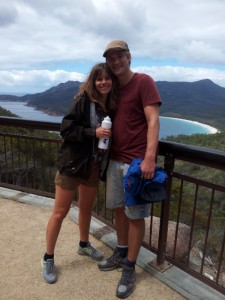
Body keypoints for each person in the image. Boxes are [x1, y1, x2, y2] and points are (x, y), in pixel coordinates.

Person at [41, 62, 118, 284]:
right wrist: (92, 132)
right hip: (73, 165)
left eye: (107, 78)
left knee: (86, 209)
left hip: (93, 166)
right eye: (99, 78)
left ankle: (83, 245)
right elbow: (65, 129)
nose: (103, 82)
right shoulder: (84, 102)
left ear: (112, 82)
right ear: (93, 81)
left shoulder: (110, 106)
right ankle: (48, 257)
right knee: (60, 212)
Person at [98, 40, 161, 299]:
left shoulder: (144, 82)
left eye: (119, 56)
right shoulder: (112, 88)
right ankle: (121, 252)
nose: (115, 62)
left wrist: (149, 158)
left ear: (129, 57)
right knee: (118, 211)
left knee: (135, 215)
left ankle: (130, 267)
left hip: (135, 165)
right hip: (113, 161)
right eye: (111, 58)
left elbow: (153, 120)